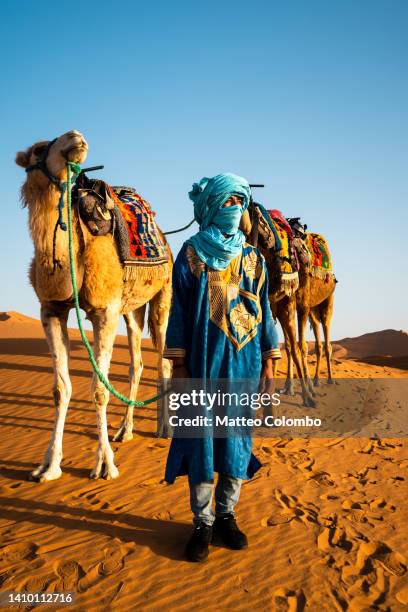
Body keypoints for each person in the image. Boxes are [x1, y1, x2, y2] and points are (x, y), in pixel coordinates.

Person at [163, 173, 281, 562]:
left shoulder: (254, 259)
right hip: (200, 368)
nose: (234, 209)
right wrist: (178, 364)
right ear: (212, 206)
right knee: (201, 447)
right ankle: (203, 522)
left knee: (235, 444)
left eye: (238, 202)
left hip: (242, 370)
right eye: (227, 202)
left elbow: (264, 313)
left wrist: (269, 361)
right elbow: (178, 310)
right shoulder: (191, 253)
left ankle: (227, 515)